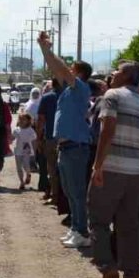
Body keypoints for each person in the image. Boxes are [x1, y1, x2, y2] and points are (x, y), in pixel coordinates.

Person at [89, 62, 139, 278]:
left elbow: (107, 130)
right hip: (135, 172)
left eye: (117, 70)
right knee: (129, 226)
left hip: (111, 168)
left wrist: (98, 165)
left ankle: (107, 268)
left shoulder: (113, 95)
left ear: (128, 75)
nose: (113, 74)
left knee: (98, 221)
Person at [37, 32, 95, 249]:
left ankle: (83, 231)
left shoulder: (80, 87)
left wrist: (48, 50)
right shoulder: (68, 92)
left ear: (79, 74)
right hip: (66, 147)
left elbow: (59, 69)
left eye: (72, 70)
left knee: (78, 192)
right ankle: (76, 227)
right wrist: (44, 50)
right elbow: (56, 69)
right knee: (70, 191)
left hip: (76, 147)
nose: (68, 72)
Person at [37, 79, 60, 200]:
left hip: (51, 138)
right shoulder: (71, 96)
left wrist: (39, 138)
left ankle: (55, 195)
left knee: (51, 167)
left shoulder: (46, 98)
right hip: (69, 139)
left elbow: (41, 120)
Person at [13, 112, 37, 190]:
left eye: (24, 119)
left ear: (28, 121)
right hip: (18, 151)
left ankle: (28, 174)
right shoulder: (16, 130)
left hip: (27, 151)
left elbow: (34, 140)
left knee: (26, 165)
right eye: (20, 119)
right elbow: (12, 138)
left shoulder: (30, 130)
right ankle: (21, 182)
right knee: (19, 167)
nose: (22, 121)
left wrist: (34, 150)